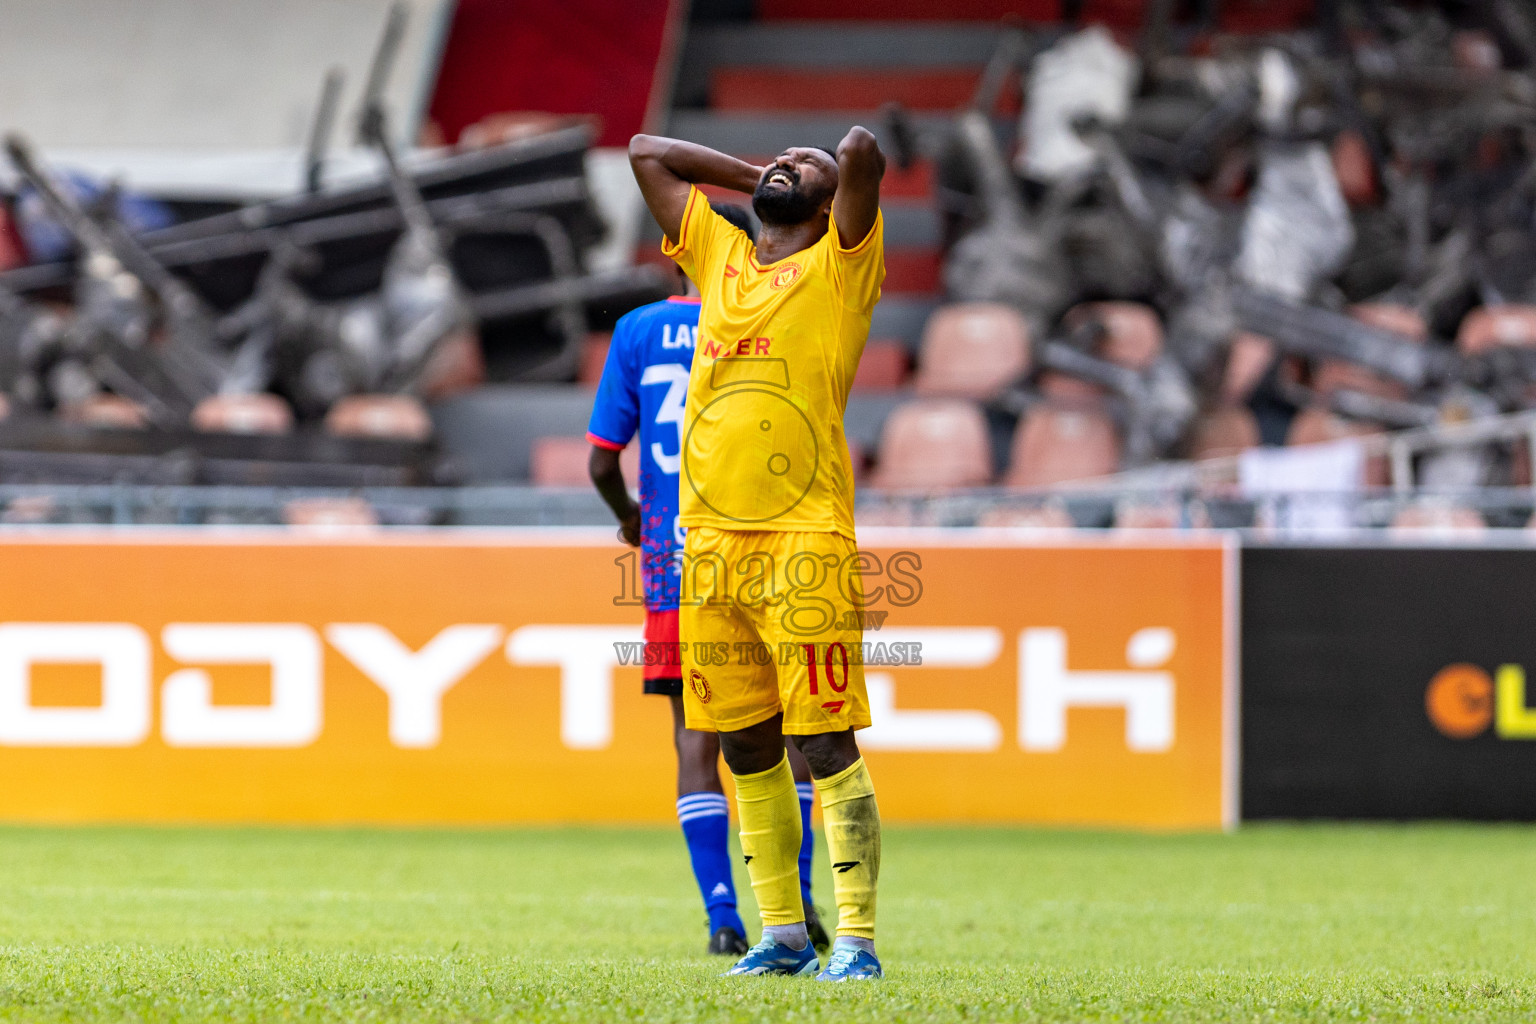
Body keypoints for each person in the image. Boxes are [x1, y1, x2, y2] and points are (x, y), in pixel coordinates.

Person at [627, 127, 887, 981]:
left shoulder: (842, 268)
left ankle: (854, 940)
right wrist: (762, 176)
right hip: (705, 547)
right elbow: (644, 152)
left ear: (826, 209)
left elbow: (861, 150)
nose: (791, 164)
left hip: (802, 541)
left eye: (803, 169)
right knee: (743, 747)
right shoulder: (720, 258)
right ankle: (780, 933)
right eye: (783, 160)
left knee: (825, 745)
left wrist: (824, 169)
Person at [585, 205, 829, 958]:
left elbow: (601, 460)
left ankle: (723, 911)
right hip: (775, 546)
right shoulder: (783, 314)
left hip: (673, 556)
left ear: (677, 250)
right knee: (796, 731)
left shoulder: (637, 331)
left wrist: (632, 519)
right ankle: (800, 897)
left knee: (697, 736)